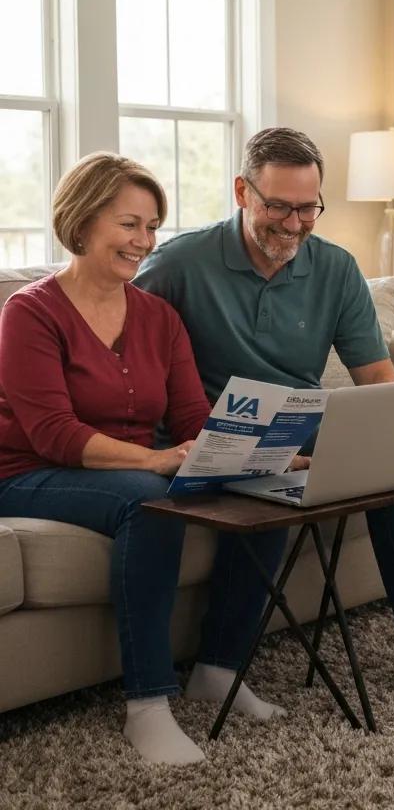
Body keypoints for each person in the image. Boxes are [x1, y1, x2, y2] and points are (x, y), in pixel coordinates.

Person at [134, 128, 394, 718]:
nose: (294, 225)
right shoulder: (178, 265)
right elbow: (133, 356)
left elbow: (375, 375)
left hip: (307, 417)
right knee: (383, 473)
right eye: (278, 206)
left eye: (308, 208)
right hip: (226, 430)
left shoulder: (334, 267)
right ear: (242, 191)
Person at [0, 153, 288, 767]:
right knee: (147, 500)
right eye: (129, 224)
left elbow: (190, 417)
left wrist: (262, 447)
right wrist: (158, 462)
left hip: (131, 467)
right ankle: (148, 706)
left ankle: (219, 668)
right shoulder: (29, 312)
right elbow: (52, 433)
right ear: (82, 221)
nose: (144, 242)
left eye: (152, 226)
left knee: (262, 488)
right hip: (28, 473)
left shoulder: (159, 316)